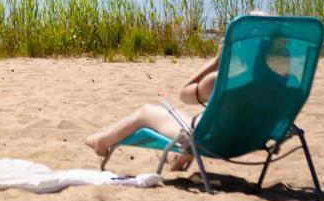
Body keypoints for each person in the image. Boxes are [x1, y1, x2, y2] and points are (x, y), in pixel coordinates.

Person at [83, 11, 267, 171]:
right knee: (188, 118)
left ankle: (102, 142)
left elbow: (185, 94)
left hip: (210, 139)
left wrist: (217, 60)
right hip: (249, 140)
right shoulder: (280, 84)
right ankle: (179, 157)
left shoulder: (221, 81)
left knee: (147, 112)